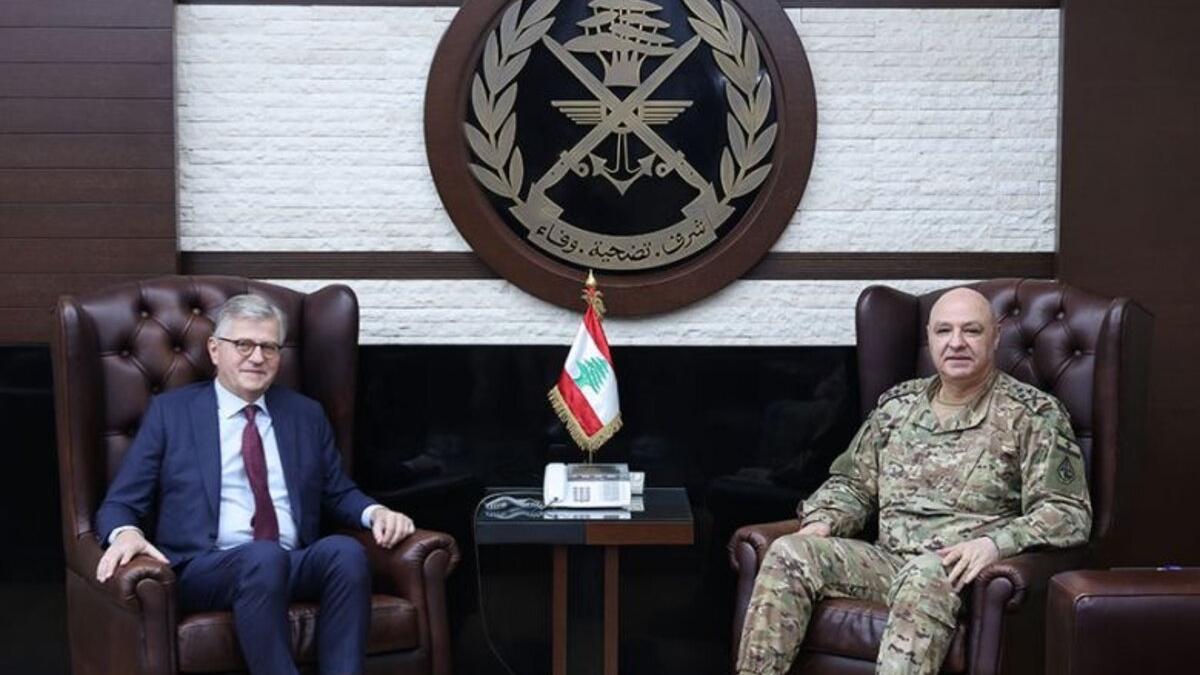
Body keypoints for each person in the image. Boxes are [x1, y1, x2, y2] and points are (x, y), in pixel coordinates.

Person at [735, 288, 1092, 675]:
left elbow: (1067, 512)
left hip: (958, 572)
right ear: (929, 337)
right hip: (886, 561)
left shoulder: (1032, 415)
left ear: (995, 337)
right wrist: (824, 522)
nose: (956, 343)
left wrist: (994, 545)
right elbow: (852, 484)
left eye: (971, 331)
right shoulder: (896, 406)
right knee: (791, 551)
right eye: (944, 331)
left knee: (925, 573)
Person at [94, 294, 415, 675]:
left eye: (268, 346)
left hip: (290, 559)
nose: (257, 357)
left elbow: (337, 490)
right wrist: (125, 533)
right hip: (207, 567)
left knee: (345, 553)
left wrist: (375, 511)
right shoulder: (172, 413)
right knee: (263, 556)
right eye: (243, 344)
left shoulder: (304, 414)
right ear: (215, 350)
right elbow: (120, 502)